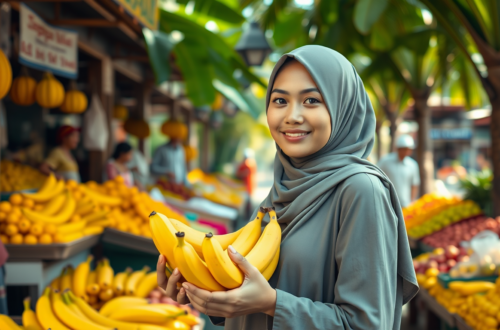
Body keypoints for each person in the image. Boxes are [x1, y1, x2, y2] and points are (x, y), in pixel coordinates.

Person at [156, 46, 418, 329]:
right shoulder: (283, 186)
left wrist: (272, 303)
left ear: (343, 107)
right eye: (280, 100)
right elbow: (253, 290)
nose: (292, 116)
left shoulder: (361, 191)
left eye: (311, 101)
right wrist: (204, 295)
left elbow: (367, 324)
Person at [378, 134, 420, 207]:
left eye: (409, 149)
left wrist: (412, 201)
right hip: (388, 203)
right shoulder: (385, 161)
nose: (406, 151)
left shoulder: (413, 165)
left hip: (405, 204)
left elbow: (414, 184)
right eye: (404, 149)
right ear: (398, 148)